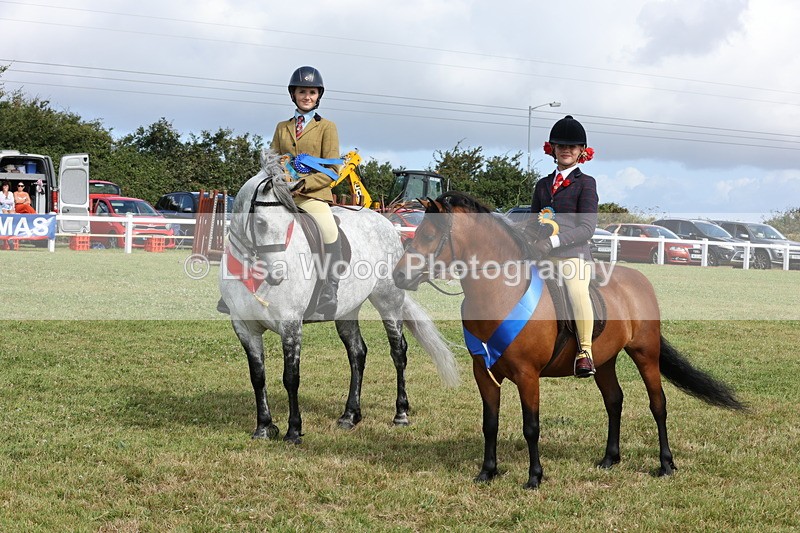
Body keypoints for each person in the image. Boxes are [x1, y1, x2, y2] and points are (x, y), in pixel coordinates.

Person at [217, 66, 343, 316]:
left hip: (310, 195)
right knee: (250, 224)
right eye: (302, 92)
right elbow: (272, 161)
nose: (307, 96)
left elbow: (332, 170)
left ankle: (330, 288)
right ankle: (232, 289)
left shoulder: (327, 127)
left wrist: (304, 184)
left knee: (329, 229)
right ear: (293, 94)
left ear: (318, 96)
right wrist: (277, 180)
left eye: (312, 92)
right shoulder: (282, 127)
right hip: (280, 194)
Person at [529, 115, 598, 378]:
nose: (566, 150)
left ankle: (585, 352)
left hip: (572, 256)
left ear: (581, 151)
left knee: (576, 291)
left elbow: (587, 228)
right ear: (553, 149)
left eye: (572, 146)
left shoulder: (586, 183)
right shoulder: (542, 185)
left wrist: (552, 241)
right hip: (541, 256)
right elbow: (533, 222)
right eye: (561, 145)